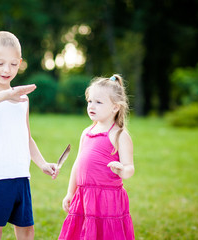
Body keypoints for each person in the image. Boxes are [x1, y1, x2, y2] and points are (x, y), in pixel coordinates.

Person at [0, 31, 59, 240]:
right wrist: (6, 94)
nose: (7, 70)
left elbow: (26, 136)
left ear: (20, 63)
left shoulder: (22, 98)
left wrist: (42, 163)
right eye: (0, 63)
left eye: (13, 64)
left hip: (21, 176)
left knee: (26, 230)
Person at [58, 74, 135, 240]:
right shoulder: (87, 132)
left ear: (115, 107)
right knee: (83, 233)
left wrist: (122, 171)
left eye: (98, 102)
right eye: (90, 101)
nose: (91, 106)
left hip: (107, 199)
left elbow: (130, 168)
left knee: (105, 234)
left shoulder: (119, 135)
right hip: (84, 196)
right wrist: (70, 193)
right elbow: (77, 165)